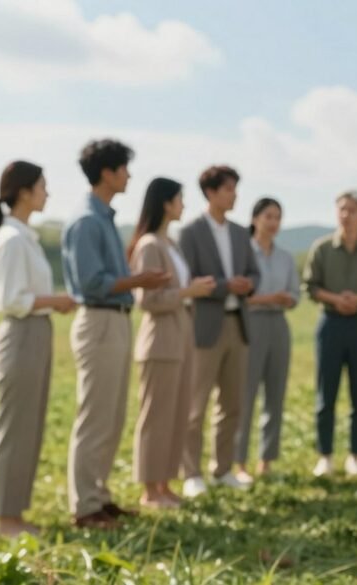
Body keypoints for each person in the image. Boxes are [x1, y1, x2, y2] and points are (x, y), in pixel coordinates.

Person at [62, 139, 170, 529]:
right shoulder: (87, 221)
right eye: (124, 168)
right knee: (95, 416)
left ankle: (100, 496)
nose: (128, 175)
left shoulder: (103, 217)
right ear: (107, 172)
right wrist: (139, 279)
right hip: (100, 320)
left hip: (117, 319)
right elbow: (92, 283)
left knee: (111, 415)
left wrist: (134, 281)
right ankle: (85, 506)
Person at [0, 161, 76, 536]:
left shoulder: (22, 236)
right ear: (24, 191)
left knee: (28, 426)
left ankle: (14, 513)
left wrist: (52, 304)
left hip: (35, 333)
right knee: (15, 428)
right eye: (42, 186)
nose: (47, 193)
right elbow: (14, 298)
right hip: (22, 334)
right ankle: (6, 520)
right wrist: (56, 300)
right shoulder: (14, 240)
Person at [127, 178, 216, 508]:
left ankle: (163, 484)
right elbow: (148, 299)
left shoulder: (171, 245)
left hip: (181, 340)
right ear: (166, 203)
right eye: (180, 199)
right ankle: (150, 490)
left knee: (176, 415)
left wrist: (190, 289)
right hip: (159, 342)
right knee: (156, 417)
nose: (184, 205)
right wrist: (187, 293)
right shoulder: (149, 245)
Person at [178, 165, 260, 498]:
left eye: (235, 188)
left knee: (233, 403)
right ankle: (191, 472)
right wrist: (228, 286)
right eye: (229, 189)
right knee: (195, 405)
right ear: (211, 192)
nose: (234, 195)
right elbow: (188, 280)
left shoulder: (242, 233)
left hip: (237, 325)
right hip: (204, 325)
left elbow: (254, 274)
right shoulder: (191, 232)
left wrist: (248, 285)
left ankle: (222, 469)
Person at [302, 190, 357, 477]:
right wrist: (336, 299)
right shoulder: (322, 248)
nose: (345, 215)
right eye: (341, 209)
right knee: (326, 394)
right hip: (330, 324)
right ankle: (325, 456)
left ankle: (355, 456)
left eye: (351, 210)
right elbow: (310, 287)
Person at [234, 197, 300, 481]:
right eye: (268, 216)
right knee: (244, 394)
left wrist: (284, 300)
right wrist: (268, 298)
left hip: (279, 325)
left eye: (278, 217)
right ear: (255, 219)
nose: (273, 222)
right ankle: (238, 462)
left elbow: (295, 294)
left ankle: (266, 460)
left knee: (275, 394)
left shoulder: (285, 257)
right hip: (250, 325)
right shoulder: (243, 253)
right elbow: (238, 296)